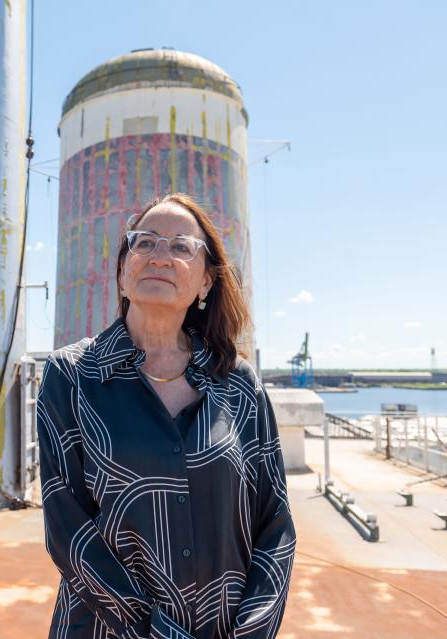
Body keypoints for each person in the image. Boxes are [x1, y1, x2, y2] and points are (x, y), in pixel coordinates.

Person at [37, 193, 296, 639]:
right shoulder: (71, 376)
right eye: (145, 242)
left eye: (180, 246)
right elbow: (67, 529)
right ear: (122, 274)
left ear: (206, 283)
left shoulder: (238, 384)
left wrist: (253, 632)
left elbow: (275, 526)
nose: (160, 255)